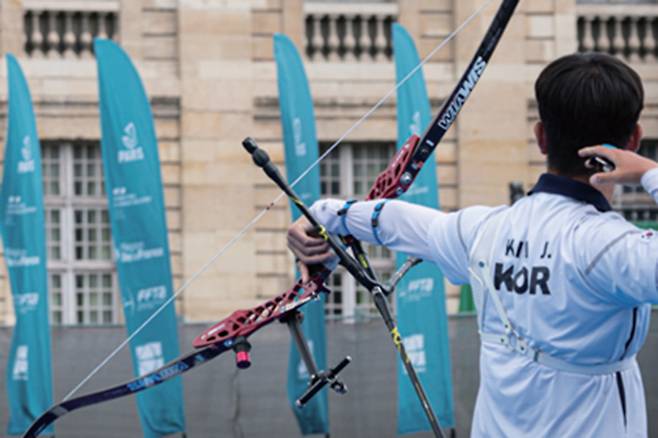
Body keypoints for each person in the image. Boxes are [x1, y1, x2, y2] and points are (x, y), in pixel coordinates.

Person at [287, 52, 657, 437]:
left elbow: (396, 221)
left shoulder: (484, 230)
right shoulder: (613, 247)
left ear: (542, 137)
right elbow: (398, 220)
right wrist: (649, 172)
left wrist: (324, 214)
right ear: (633, 141)